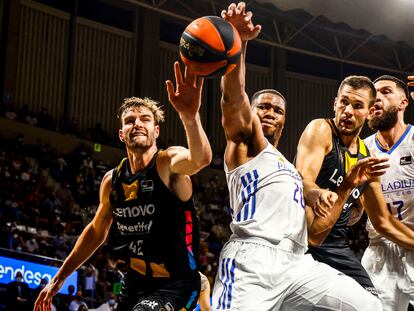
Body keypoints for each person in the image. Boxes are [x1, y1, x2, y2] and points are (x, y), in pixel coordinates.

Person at [211, 2, 384, 310]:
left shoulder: (288, 168)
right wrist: (237, 43)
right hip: (253, 259)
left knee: (370, 307)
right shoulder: (245, 146)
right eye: (262, 106)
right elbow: (233, 96)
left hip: (298, 263)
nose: (270, 113)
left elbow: (315, 224)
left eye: (277, 110)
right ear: (251, 113)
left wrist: (343, 191)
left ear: (284, 120)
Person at [34, 62, 212, 311]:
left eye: (145, 119)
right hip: (135, 283)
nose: (137, 123)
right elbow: (96, 232)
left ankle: (200, 287)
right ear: (121, 133)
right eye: (130, 120)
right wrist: (59, 277)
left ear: (156, 130)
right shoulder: (112, 180)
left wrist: (190, 116)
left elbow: (200, 158)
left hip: (176, 283)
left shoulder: (168, 163)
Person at [295, 74, 414, 296]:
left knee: (369, 301)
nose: (348, 110)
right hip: (312, 243)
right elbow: (302, 181)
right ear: (335, 103)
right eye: (344, 103)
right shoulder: (325, 131)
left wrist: (352, 203)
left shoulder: (365, 155)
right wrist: (320, 193)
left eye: (357, 105)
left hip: (343, 244)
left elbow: (382, 220)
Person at [360, 75, 414, 311]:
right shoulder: (362, 149)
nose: (376, 98)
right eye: (374, 94)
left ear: (403, 102)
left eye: (385, 92)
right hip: (379, 250)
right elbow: (355, 214)